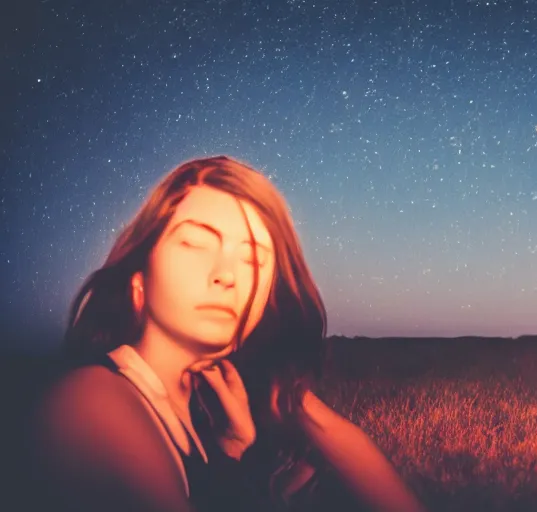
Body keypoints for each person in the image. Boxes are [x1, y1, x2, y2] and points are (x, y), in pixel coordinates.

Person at [31, 156, 425, 512]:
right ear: (139, 283)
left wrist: (275, 409)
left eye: (253, 258)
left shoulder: (200, 401)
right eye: (195, 243)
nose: (227, 274)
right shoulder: (95, 400)